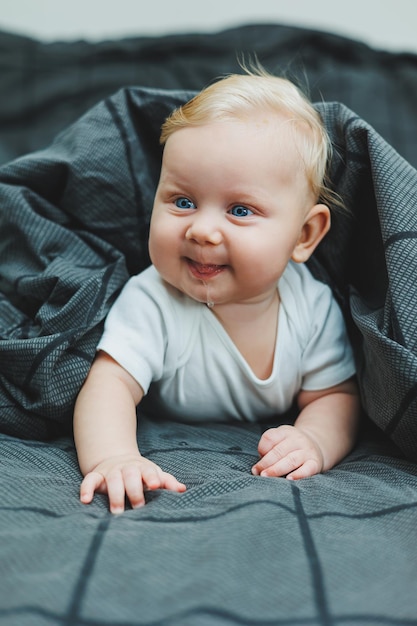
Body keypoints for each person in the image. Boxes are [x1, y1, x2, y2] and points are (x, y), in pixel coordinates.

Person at [74, 68, 361, 514]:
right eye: (183, 202)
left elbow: (334, 396)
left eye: (240, 210)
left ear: (304, 235)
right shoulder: (153, 298)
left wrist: (314, 439)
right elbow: (108, 385)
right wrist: (113, 456)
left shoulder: (312, 307)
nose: (203, 230)